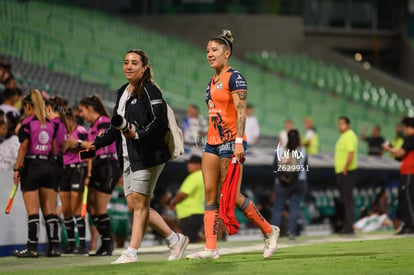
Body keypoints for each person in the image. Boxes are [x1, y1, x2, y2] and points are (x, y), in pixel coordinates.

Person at [187, 30, 279, 260]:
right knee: (210, 194)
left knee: (232, 195)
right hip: (211, 144)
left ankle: (269, 230)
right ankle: (211, 248)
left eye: (214, 50)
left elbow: (241, 112)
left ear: (226, 53)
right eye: (207, 50)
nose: (209, 54)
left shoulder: (235, 77)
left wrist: (238, 141)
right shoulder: (211, 82)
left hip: (231, 142)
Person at [91, 49, 189, 264]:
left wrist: (137, 134)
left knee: (140, 206)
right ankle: (176, 239)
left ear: (144, 67)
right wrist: (94, 144)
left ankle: (131, 252)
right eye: (126, 62)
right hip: (127, 156)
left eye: (134, 63)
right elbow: (115, 127)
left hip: (149, 156)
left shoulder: (150, 90)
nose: (128, 66)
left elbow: (158, 122)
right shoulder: (122, 92)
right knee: (134, 205)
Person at [12, 89, 60, 257]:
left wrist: (17, 168)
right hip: (48, 166)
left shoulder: (27, 123)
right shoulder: (52, 124)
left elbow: (23, 147)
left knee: (33, 210)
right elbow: (54, 148)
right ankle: (54, 248)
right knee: (50, 210)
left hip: (32, 166)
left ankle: (32, 248)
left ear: (28, 106)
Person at [59, 107, 89, 254]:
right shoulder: (61, 133)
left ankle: (82, 245)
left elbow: (90, 151)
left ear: (71, 119)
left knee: (76, 208)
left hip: (77, 169)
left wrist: (88, 174)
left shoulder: (81, 131)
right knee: (66, 210)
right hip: (63, 170)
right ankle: (71, 245)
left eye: (64, 122)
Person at [271, 129, 307, 240]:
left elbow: (275, 166)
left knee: (278, 208)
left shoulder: (280, 150)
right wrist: (292, 179)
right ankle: (292, 233)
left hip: (281, 183)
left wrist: (283, 179)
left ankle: (273, 235)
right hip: (298, 182)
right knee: (294, 208)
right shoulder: (302, 150)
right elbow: (302, 167)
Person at [383, 117, 414, 234]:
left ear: (408, 127)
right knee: (405, 199)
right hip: (408, 172)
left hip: (410, 173)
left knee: (408, 200)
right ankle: (407, 224)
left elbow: (399, 152)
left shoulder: (411, 138)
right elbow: (400, 157)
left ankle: (411, 225)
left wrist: (389, 148)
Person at [170, 154, 205, 243]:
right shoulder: (204, 176)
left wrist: (173, 202)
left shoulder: (194, 176)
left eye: (192, 163)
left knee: (189, 242)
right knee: (193, 239)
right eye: (189, 163)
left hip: (189, 215)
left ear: (199, 165)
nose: (188, 165)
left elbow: (183, 194)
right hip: (197, 213)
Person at [334, 116, 358, 234]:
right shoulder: (343, 136)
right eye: (339, 124)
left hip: (346, 172)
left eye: (342, 124)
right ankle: (347, 225)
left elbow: (351, 153)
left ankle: (349, 226)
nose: (340, 126)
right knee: (345, 199)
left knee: (348, 200)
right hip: (342, 171)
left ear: (348, 125)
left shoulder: (349, 135)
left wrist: (345, 168)